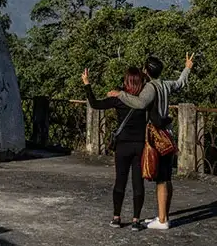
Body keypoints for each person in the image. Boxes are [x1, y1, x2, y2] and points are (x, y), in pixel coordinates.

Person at [108, 53, 195, 230]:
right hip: (168, 134)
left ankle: (162, 220)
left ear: (146, 71)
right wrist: (187, 68)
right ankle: (163, 216)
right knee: (166, 176)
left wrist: (120, 95)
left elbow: (139, 103)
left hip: (156, 136)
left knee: (161, 178)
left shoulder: (150, 87)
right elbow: (180, 83)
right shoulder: (165, 85)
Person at [81, 67, 148, 231]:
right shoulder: (144, 101)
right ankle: (136, 220)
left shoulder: (119, 99)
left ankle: (116, 217)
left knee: (120, 181)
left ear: (126, 81)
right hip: (140, 145)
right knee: (138, 183)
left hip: (123, 145)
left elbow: (95, 104)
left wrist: (87, 83)